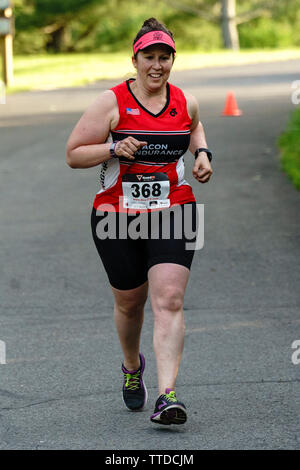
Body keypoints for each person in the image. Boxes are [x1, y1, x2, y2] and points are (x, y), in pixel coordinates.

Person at [66, 17, 212, 425]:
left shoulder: (186, 100)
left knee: (169, 300)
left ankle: (167, 396)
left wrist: (202, 154)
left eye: (165, 57)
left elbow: (195, 127)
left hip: (173, 209)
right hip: (117, 217)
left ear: (172, 60)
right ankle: (133, 368)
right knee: (130, 304)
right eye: (149, 56)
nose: (157, 65)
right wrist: (113, 147)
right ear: (135, 58)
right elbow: (74, 153)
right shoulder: (111, 103)